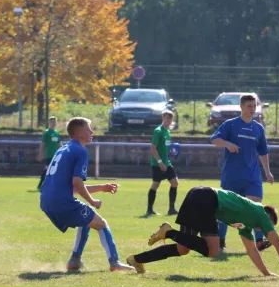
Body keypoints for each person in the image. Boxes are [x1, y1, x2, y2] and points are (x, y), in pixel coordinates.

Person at [125, 186, 279, 278]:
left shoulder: (247, 227)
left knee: (182, 248)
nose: (266, 230)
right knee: (213, 251)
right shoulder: (261, 214)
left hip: (196, 194)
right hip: (207, 198)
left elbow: (252, 251)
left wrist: (266, 273)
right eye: (270, 225)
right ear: (268, 217)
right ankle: (168, 233)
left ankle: (136, 259)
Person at [40, 117, 134, 272]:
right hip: (62, 202)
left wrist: (102, 187)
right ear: (78, 133)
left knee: (86, 220)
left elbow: (72, 188)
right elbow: (77, 183)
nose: (92, 132)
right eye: (88, 129)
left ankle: (74, 261)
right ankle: (115, 263)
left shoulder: (63, 149)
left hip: (46, 200)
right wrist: (93, 201)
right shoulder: (80, 151)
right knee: (101, 224)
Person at [209, 94, 274, 252]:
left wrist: (267, 171)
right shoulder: (230, 125)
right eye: (249, 106)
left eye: (254, 106)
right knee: (225, 209)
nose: (252, 109)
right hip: (232, 175)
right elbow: (214, 139)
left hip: (252, 176)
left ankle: (259, 241)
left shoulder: (258, 128)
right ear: (242, 107)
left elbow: (263, 152)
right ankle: (221, 242)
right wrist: (228, 144)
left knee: (256, 207)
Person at [146, 110, 178, 216]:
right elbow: (153, 148)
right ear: (163, 118)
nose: (168, 120)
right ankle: (149, 210)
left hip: (167, 163)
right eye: (166, 118)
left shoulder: (167, 131)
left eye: (170, 118)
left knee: (174, 182)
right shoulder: (158, 131)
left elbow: (165, 147)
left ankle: (171, 209)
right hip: (157, 164)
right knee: (155, 185)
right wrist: (160, 162)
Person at [36, 116, 62, 190]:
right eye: (52, 122)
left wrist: (64, 152)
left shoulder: (57, 132)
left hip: (56, 155)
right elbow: (43, 144)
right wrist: (40, 154)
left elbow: (59, 144)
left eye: (55, 121)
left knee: (53, 170)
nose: (53, 123)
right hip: (50, 155)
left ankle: (49, 185)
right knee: (47, 170)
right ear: (49, 123)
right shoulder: (47, 132)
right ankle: (41, 185)